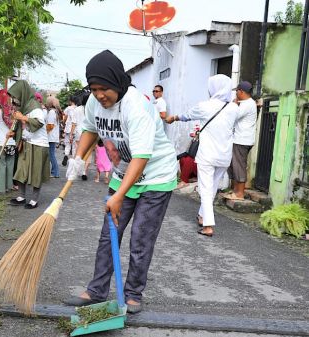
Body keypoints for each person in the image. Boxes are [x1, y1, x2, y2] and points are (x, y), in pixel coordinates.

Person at [64, 50, 178, 314]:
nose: (100, 94)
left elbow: (141, 157)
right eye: (94, 89)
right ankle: (96, 291)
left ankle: (133, 293)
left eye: (105, 88)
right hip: (122, 174)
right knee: (109, 236)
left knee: (140, 238)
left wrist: (117, 196)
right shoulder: (94, 103)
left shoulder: (136, 106)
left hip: (155, 178)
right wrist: (78, 159)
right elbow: (90, 129)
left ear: (118, 82)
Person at [166, 74, 239, 237]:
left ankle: (208, 226)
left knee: (206, 189)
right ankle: (202, 216)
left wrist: (173, 118)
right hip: (224, 156)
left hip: (208, 154)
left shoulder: (205, 106)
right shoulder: (234, 108)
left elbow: (186, 115)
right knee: (211, 187)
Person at [8, 80, 49, 209]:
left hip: (38, 145)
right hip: (26, 143)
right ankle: (21, 196)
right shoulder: (23, 107)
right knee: (21, 171)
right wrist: (12, 133)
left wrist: (23, 118)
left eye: (15, 97)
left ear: (22, 94)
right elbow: (21, 125)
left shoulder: (34, 106)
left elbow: (38, 123)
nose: (14, 100)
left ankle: (34, 200)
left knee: (36, 173)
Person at [223, 80, 257, 200]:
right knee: (234, 165)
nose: (235, 93)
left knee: (239, 166)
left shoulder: (247, 104)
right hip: (239, 139)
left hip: (242, 140)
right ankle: (236, 191)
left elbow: (233, 116)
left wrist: (233, 104)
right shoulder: (246, 103)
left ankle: (240, 194)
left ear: (241, 91)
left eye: (236, 91)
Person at [46, 95, 61, 178]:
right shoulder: (56, 111)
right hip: (53, 136)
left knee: (51, 154)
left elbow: (50, 125)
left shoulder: (51, 112)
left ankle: (55, 172)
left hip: (50, 136)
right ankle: (54, 171)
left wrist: (45, 132)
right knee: (52, 154)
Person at [62, 97, 77, 166]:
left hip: (68, 128)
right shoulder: (77, 108)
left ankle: (66, 155)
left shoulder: (68, 108)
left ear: (71, 101)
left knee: (67, 144)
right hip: (75, 129)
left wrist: (64, 122)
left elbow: (65, 116)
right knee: (74, 146)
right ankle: (73, 159)